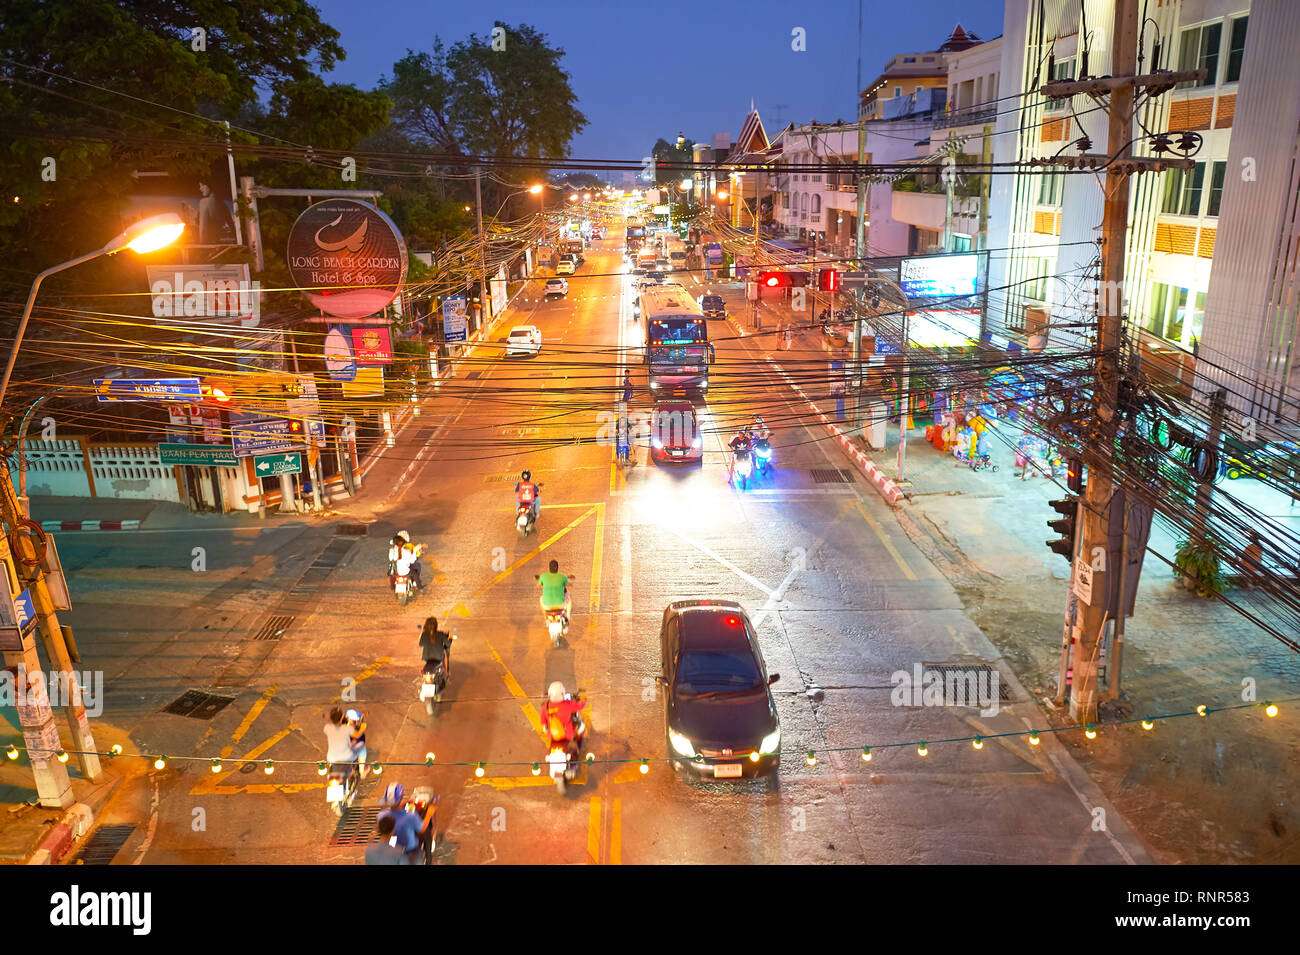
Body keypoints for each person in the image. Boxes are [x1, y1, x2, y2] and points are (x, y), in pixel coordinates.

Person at [379, 783, 436, 864]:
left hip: (391, 848)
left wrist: (401, 805)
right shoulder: (410, 816)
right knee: (426, 832)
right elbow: (422, 828)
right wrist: (429, 814)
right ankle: (429, 860)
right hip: (410, 850)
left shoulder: (381, 815)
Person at [543, 682, 586, 756]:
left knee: (545, 727)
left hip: (553, 735)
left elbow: (543, 720)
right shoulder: (568, 704)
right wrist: (583, 700)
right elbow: (579, 706)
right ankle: (579, 746)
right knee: (581, 725)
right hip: (568, 734)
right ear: (562, 694)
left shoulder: (546, 706)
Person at [323, 706, 360, 779]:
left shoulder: (327, 728)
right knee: (358, 748)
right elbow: (357, 735)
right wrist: (362, 727)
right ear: (342, 716)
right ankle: (356, 771)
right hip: (346, 758)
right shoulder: (347, 728)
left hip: (331, 759)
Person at [537, 559, 571, 630]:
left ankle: (545, 617)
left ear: (549, 568)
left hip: (547, 607)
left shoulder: (543, 576)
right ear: (557, 568)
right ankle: (567, 616)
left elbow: (539, 585)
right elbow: (568, 584)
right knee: (569, 595)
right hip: (560, 605)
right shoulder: (562, 577)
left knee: (541, 598)